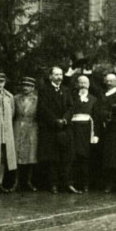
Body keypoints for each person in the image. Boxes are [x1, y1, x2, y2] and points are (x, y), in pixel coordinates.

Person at [37, 66, 80, 194]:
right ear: (50, 76)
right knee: (52, 158)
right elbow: (43, 109)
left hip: (65, 128)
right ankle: (53, 184)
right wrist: (55, 120)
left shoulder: (66, 90)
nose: (59, 77)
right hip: (51, 128)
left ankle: (68, 183)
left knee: (67, 157)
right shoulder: (44, 90)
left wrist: (65, 120)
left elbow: (71, 107)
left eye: (61, 74)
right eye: (56, 75)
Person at [70, 75, 100, 193]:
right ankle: (73, 183)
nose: (83, 85)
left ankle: (85, 184)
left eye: (85, 83)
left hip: (87, 131)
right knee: (73, 157)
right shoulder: (72, 97)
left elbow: (96, 118)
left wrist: (95, 134)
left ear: (89, 85)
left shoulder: (94, 99)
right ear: (77, 85)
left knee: (85, 158)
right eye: (80, 83)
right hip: (74, 130)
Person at [0, 73, 17, 193]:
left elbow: (12, 113)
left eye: (2, 82)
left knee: (3, 157)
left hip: (6, 132)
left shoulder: (9, 96)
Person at [12, 77, 39, 191]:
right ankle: (16, 181)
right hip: (17, 126)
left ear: (33, 87)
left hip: (32, 127)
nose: (25, 88)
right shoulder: (15, 98)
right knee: (16, 154)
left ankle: (28, 181)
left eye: (28, 86)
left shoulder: (37, 99)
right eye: (24, 85)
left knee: (31, 154)